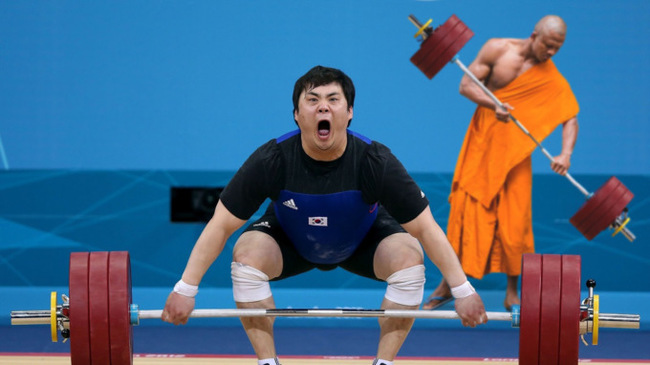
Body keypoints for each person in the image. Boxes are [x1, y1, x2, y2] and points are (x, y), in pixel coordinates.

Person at [162, 65, 487, 365]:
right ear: (296, 114)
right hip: (290, 239)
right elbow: (219, 227)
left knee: (409, 258)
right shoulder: (271, 159)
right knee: (246, 254)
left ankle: (384, 363)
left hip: (364, 240)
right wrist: (185, 289)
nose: (323, 107)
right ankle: (267, 362)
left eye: (333, 99)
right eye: (313, 99)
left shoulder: (375, 161)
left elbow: (427, 229)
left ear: (349, 113)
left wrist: (463, 291)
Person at [423, 15, 580, 311]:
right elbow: (466, 86)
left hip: (517, 154)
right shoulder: (497, 48)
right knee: (466, 212)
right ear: (534, 35)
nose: (551, 53)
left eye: (557, 49)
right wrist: (493, 104)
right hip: (483, 142)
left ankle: (513, 291)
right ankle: (448, 284)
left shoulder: (552, 76)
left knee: (515, 221)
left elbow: (570, 117)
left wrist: (565, 154)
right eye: (548, 45)